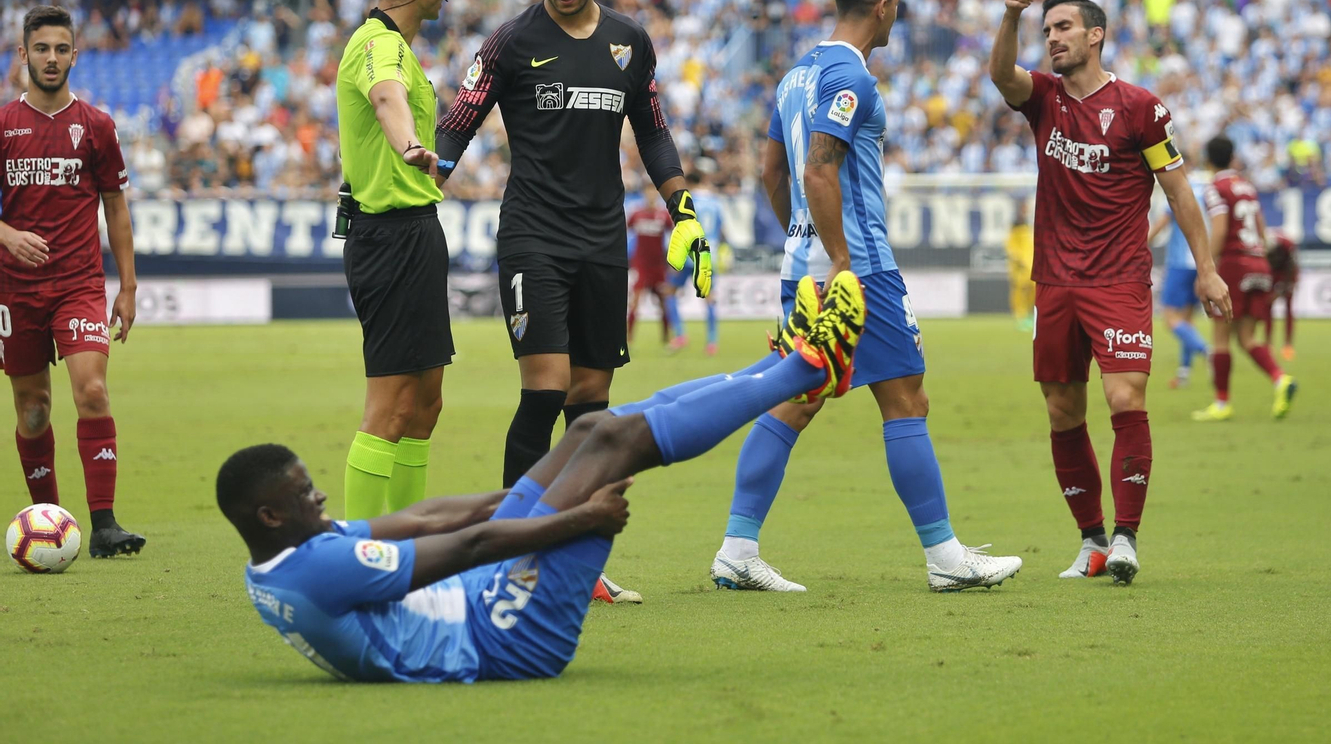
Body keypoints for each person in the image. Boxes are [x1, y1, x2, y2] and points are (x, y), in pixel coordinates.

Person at [220, 274, 865, 683]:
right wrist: (577, 516)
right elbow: (468, 546)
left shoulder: (279, 560)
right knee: (611, 444)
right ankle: (808, 368)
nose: (319, 495)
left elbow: (422, 519)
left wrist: (523, 493)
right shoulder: (319, 568)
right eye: (303, 493)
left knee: (589, 431)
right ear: (269, 516)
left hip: (481, 597)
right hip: (505, 637)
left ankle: (780, 366)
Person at [710, 0, 1022, 594]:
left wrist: (803, 240)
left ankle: (737, 549)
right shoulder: (852, 77)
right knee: (906, 400)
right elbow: (819, 167)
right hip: (860, 266)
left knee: (796, 399)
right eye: (896, 6)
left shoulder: (795, 75)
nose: (896, 17)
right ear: (883, 6)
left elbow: (773, 172)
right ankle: (946, 559)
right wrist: (842, 259)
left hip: (800, 268)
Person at [435, 0, 711, 604]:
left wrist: (682, 208)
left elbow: (653, 132)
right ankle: (510, 554)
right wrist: (420, 182)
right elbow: (457, 126)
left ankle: (576, 563)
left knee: (591, 407)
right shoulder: (509, 42)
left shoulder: (629, 41)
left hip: (601, 240)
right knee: (546, 389)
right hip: (532, 236)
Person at [988, 0, 1229, 586]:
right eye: (1047, 29)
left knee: (1125, 398)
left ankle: (1126, 537)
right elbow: (1001, 75)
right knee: (1062, 411)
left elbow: (1179, 192)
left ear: (1095, 35)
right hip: (1055, 282)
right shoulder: (1044, 97)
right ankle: (1092, 541)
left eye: (1063, 27)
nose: (1052, 38)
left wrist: (1206, 270)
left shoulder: (1140, 108)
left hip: (1118, 278)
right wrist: (1011, 16)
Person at [1, 5, 144, 557]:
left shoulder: (97, 125)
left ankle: (104, 525)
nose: (52, 58)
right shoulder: (4, 125)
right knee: (34, 409)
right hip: (15, 289)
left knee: (92, 390)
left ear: (75, 56)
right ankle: (50, 521)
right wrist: (9, 236)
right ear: (23, 54)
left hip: (78, 284)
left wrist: (127, 287)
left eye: (61, 49)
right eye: (41, 48)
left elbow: (116, 207)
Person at [334, 0, 455, 522]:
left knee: (426, 405)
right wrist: (410, 146)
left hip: (416, 229)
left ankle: (411, 544)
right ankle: (357, 552)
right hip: (389, 237)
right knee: (390, 407)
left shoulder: (400, 47)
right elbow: (387, 100)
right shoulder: (377, 44)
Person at [1191, 136, 1298, 423]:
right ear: (1232, 157)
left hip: (1234, 264)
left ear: (1208, 160)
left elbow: (1220, 229)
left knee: (1220, 336)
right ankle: (1281, 379)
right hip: (1258, 263)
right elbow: (1261, 231)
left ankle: (1222, 403)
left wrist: (1206, 269)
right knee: (1247, 336)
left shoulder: (1216, 188)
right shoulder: (1247, 186)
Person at [1147, 162, 1212, 387]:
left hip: (1180, 263)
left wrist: (1140, 245)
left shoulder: (1180, 188)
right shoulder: (1208, 191)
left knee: (1170, 318)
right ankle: (1184, 373)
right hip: (1202, 262)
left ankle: (1207, 351)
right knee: (1186, 320)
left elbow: (1162, 223)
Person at [666, 170, 725, 355]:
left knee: (670, 293)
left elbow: (682, 228)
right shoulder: (715, 202)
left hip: (689, 254)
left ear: (688, 183)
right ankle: (712, 342)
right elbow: (721, 229)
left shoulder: (688, 202)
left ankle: (680, 335)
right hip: (709, 254)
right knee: (709, 298)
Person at [625, 193, 680, 349]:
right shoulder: (637, 214)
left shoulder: (663, 215)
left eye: (653, 192)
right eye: (648, 191)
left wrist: (674, 261)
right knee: (635, 302)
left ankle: (667, 338)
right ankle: (628, 339)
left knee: (663, 304)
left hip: (658, 266)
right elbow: (624, 230)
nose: (650, 195)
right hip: (641, 265)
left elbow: (675, 233)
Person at [1263, 230, 1298, 363]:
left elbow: (1291, 269)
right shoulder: (1262, 249)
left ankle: (1288, 345)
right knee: (1267, 306)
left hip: (1286, 273)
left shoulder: (1288, 248)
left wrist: (1281, 290)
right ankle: (1268, 344)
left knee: (1288, 307)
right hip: (1271, 273)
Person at [1005, 200, 1034, 332]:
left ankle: (1029, 315)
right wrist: (1018, 259)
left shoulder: (1028, 225)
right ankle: (1020, 317)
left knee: (1032, 289)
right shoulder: (1016, 225)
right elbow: (1011, 246)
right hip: (1020, 266)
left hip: (1029, 264)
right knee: (1019, 291)